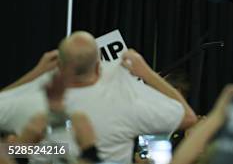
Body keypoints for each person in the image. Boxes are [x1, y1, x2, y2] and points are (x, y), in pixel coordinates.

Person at [0, 31, 196, 164]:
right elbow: (188, 117)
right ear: (97, 66)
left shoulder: (30, 103)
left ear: (59, 65)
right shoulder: (124, 104)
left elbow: (22, 151)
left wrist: (35, 74)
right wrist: (145, 72)